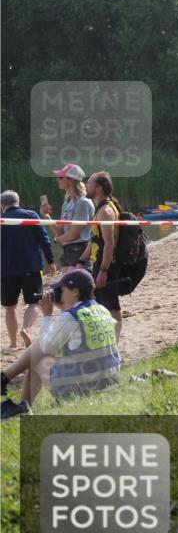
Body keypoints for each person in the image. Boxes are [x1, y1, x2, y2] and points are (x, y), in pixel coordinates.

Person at [1, 268, 120, 420]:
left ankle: (22, 404)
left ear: (75, 291)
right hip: (109, 381)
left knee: (38, 360)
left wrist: (47, 315)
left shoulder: (71, 317)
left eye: (62, 290)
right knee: (44, 351)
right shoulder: (102, 310)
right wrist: (64, 308)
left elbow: (45, 347)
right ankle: (5, 380)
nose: (60, 294)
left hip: (80, 388)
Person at [1, 191, 57, 349]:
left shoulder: (1, 220)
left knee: (10, 307)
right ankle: (26, 329)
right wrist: (51, 261)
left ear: (2, 205)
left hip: (6, 270)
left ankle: (12, 343)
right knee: (33, 303)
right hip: (31, 268)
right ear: (17, 202)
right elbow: (45, 240)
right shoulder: (31, 215)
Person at [79, 172, 126, 342]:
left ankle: (114, 342)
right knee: (100, 303)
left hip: (107, 264)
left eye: (89, 183)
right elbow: (95, 239)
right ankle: (107, 339)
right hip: (98, 263)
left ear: (98, 188)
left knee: (111, 306)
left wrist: (104, 271)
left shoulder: (106, 211)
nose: (85, 185)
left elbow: (109, 243)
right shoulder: (100, 209)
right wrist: (81, 261)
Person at [41, 163, 95, 273]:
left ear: (70, 180)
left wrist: (57, 240)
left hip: (79, 249)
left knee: (73, 286)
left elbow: (74, 234)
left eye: (61, 177)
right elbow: (60, 232)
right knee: (65, 286)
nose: (58, 180)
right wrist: (47, 217)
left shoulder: (82, 202)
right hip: (68, 249)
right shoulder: (67, 203)